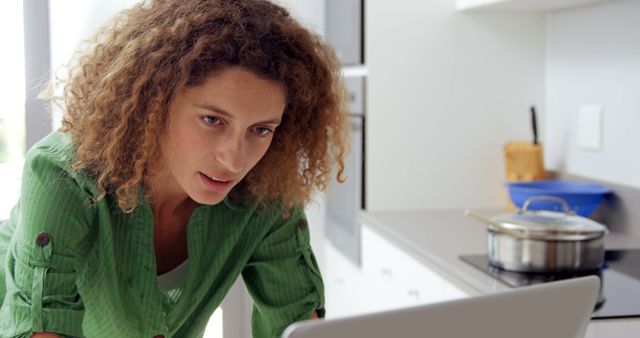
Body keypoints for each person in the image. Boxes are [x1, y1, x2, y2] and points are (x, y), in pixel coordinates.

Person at [0, 0, 349, 337]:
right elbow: (42, 326)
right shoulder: (64, 175)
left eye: (260, 130)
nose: (235, 160)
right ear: (157, 101)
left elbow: (298, 323)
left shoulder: (264, 192)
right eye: (213, 120)